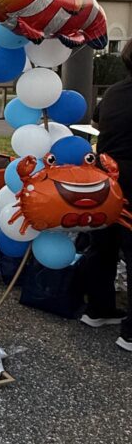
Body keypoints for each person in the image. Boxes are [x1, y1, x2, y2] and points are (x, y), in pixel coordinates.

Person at [79, 40, 132, 352]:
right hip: (130, 179)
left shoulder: (113, 92)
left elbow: (97, 124)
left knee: (104, 244)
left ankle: (98, 309)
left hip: (106, 178)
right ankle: (129, 333)